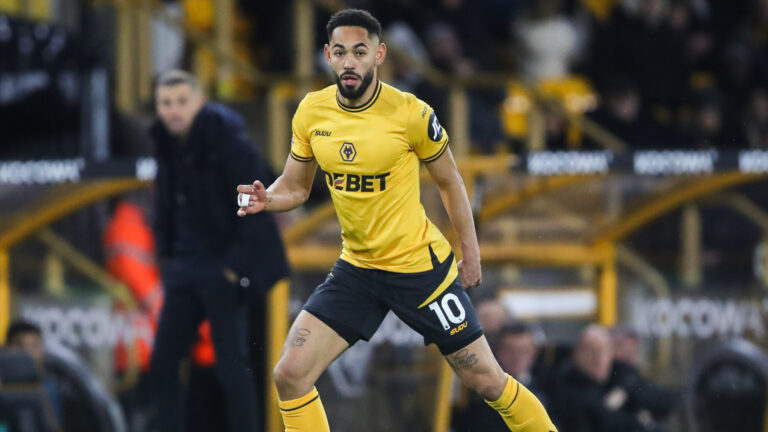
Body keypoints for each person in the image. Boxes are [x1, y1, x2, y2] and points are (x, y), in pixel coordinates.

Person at [236, 9, 557, 432]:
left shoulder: (410, 113)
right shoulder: (311, 112)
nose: (349, 61)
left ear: (379, 55)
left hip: (419, 271)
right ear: (327, 57)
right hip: (357, 272)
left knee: (487, 381)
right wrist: (268, 198)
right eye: (339, 52)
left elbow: (451, 181)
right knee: (289, 374)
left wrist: (470, 252)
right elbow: (295, 187)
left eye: (359, 51)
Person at [149, 69, 290, 432]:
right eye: (166, 103)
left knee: (232, 367)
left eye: (181, 101)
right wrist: (166, 256)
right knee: (162, 364)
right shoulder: (164, 144)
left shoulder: (232, 145)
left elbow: (254, 209)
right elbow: (167, 206)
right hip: (182, 268)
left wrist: (232, 268)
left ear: (199, 102)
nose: (173, 110)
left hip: (221, 269)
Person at [550, 324, 651, 432]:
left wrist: (626, 390)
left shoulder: (617, 375)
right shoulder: (565, 385)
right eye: (591, 351)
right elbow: (600, 418)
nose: (598, 359)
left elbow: (663, 400)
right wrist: (639, 421)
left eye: (604, 351)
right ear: (577, 353)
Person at [4, 319, 63, 423]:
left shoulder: (50, 389)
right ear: (7, 348)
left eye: (34, 346)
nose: (28, 353)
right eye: (20, 346)